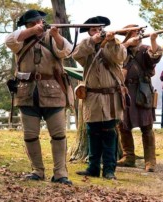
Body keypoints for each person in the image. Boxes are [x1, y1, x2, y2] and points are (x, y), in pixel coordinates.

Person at [5, 10, 73, 185]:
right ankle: (37, 170)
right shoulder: (21, 40)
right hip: (26, 92)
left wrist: (56, 35)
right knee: (30, 135)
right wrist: (32, 31)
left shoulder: (51, 36)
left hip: (54, 92)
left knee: (58, 134)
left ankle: (60, 173)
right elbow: (10, 40)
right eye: (34, 23)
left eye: (40, 22)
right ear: (27, 25)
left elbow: (66, 50)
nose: (39, 24)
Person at [72, 16, 127, 180]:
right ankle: (93, 167)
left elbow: (120, 57)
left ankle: (109, 170)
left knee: (109, 134)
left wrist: (110, 42)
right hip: (92, 97)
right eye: (93, 30)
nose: (97, 32)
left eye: (99, 29)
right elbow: (76, 55)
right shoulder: (86, 46)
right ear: (89, 32)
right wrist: (92, 41)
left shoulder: (115, 43)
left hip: (111, 97)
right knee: (93, 133)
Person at [116, 24, 162, 172]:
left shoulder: (144, 49)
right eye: (133, 33)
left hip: (142, 90)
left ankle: (150, 161)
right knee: (123, 125)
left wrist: (154, 41)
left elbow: (154, 57)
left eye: (138, 32)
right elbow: (112, 56)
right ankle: (129, 157)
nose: (137, 35)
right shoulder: (121, 49)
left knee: (146, 126)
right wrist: (127, 44)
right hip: (124, 91)